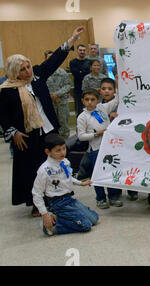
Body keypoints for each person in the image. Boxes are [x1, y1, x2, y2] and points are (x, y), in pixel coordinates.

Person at [0, 26, 85, 217]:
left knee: (56, 162)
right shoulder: (7, 89)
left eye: (28, 66)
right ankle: (35, 203)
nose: (27, 71)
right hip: (27, 134)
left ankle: (61, 194)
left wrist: (71, 39)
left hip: (48, 129)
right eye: (22, 69)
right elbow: (3, 115)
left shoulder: (38, 75)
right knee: (33, 168)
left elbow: (55, 59)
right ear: (14, 72)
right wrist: (13, 132)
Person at [31, 133, 98, 236]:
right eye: (58, 150)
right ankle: (53, 225)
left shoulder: (65, 162)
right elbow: (36, 193)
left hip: (69, 199)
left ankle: (60, 217)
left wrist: (81, 183)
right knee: (86, 225)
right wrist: (44, 214)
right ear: (48, 152)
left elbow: (68, 177)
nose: (62, 152)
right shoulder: (44, 170)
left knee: (94, 218)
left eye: (63, 148)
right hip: (57, 202)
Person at [77, 88, 122, 209]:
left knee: (111, 171)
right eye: (87, 100)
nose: (90, 102)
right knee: (97, 174)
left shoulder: (102, 108)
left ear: (98, 101)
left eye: (93, 99)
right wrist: (97, 134)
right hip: (95, 149)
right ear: (82, 101)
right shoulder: (82, 117)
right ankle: (101, 198)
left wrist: (117, 84)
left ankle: (113, 196)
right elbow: (81, 136)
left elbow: (116, 100)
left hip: (109, 147)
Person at [100, 78, 139, 201]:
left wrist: (119, 117)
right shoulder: (98, 106)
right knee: (113, 166)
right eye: (104, 89)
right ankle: (114, 192)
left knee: (128, 164)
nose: (107, 91)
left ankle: (132, 189)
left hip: (125, 140)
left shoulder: (124, 103)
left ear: (115, 91)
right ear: (99, 90)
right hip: (109, 143)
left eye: (110, 89)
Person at [45, 50, 72, 138]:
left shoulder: (62, 72)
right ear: (45, 59)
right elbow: (40, 87)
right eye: (49, 58)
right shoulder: (43, 73)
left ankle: (66, 145)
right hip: (49, 103)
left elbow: (68, 85)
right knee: (51, 124)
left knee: (64, 123)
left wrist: (57, 94)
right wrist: (51, 96)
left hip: (61, 102)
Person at [69, 44, 91, 116]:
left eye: (84, 50)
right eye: (80, 50)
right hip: (78, 90)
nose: (82, 52)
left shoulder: (89, 62)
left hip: (89, 89)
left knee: (91, 110)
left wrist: (81, 71)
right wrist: (83, 72)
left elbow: (88, 73)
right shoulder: (72, 62)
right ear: (77, 51)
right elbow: (76, 74)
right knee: (79, 111)